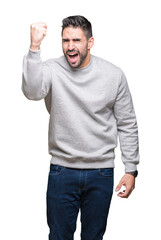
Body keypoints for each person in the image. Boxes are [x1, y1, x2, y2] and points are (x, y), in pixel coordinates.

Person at [22, 15, 139, 240]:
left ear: (90, 42)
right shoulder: (52, 69)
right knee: (58, 236)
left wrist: (131, 169)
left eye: (76, 40)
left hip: (101, 172)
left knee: (93, 237)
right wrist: (34, 48)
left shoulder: (113, 75)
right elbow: (32, 91)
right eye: (65, 41)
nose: (70, 46)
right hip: (62, 171)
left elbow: (127, 123)